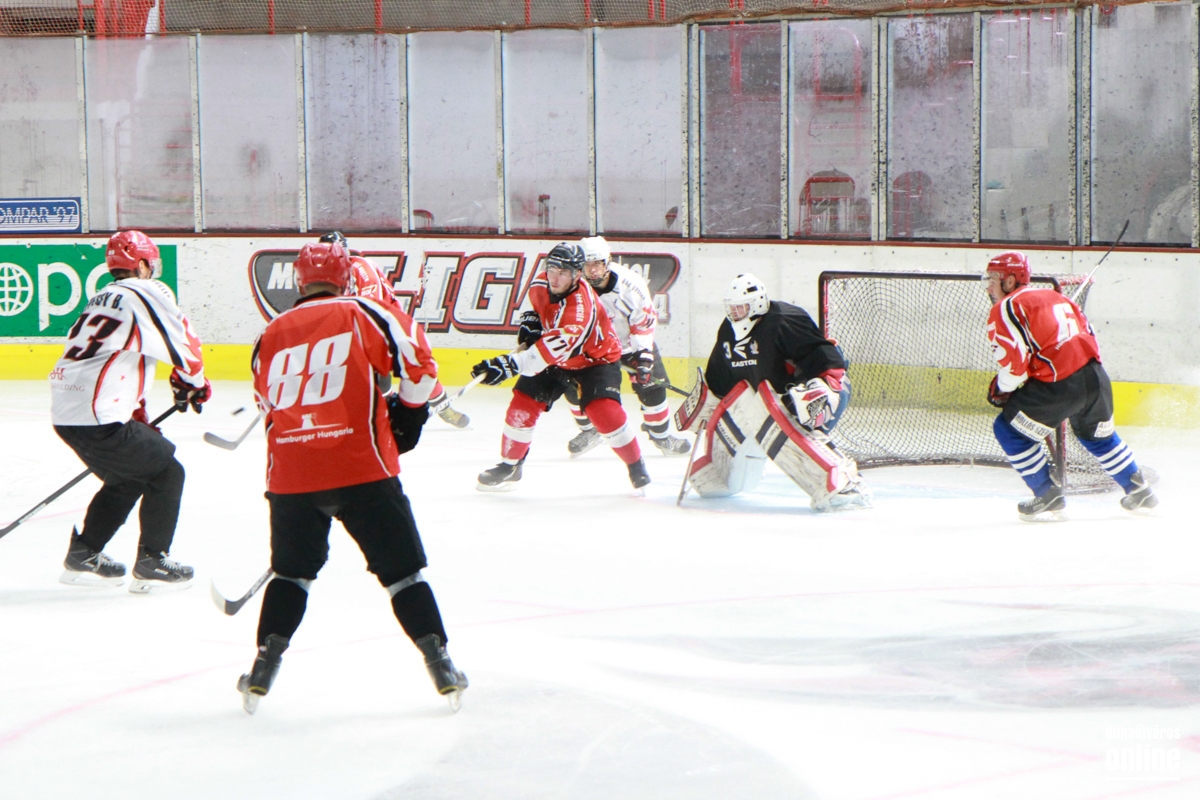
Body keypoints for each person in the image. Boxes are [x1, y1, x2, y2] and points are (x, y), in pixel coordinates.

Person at [239, 240, 467, 715]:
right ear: (346, 277)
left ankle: (262, 668)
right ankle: (441, 665)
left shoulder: (269, 333)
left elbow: (266, 403)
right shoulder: (366, 311)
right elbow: (421, 366)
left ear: (300, 281)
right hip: (363, 469)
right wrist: (408, 414)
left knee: (291, 575)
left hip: (291, 478)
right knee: (403, 575)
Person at [49, 229, 209, 591]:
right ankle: (153, 561)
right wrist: (194, 382)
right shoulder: (146, 291)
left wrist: (138, 416)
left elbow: (118, 361)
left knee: (130, 476)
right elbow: (185, 343)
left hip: (69, 412)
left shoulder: (100, 298)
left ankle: (84, 554)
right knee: (168, 473)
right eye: (150, 264)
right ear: (141, 264)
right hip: (98, 415)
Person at [984, 251, 1157, 521]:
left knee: (1008, 429)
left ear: (1009, 281)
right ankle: (1140, 490)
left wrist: (1001, 388)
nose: (988, 287)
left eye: (993, 279)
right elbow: (1090, 336)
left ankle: (1046, 493)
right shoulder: (1059, 297)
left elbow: (1015, 368)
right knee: (1096, 437)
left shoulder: (1005, 307)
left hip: (1060, 384)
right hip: (1096, 377)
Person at [673, 273, 867, 510]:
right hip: (768, 402)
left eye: (741, 307)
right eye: (731, 308)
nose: (735, 314)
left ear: (757, 304)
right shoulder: (728, 331)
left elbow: (823, 355)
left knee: (772, 411)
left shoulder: (784, 319)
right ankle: (721, 473)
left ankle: (844, 483)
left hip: (815, 397)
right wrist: (706, 403)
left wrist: (825, 386)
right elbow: (721, 379)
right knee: (752, 405)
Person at [472, 243, 650, 492]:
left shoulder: (579, 312)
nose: (554, 277)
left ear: (577, 275)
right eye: (552, 269)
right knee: (522, 405)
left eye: (563, 272)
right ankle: (510, 466)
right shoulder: (542, 281)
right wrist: (533, 320)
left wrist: (505, 366)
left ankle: (635, 465)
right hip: (556, 356)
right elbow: (537, 304)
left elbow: (537, 360)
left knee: (604, 413)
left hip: (595, 360)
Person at [319, 231, 469, 429]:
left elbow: (372, 309)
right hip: (362, 327)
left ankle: (442, 408)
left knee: (411, 368)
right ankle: (384, 414)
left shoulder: (361, 268)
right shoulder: (329, 277)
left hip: (389, 324)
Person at [562, 236, 689, 458]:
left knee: (652, 387)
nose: (593, 270)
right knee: (572, 385)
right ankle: (590, 430)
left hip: (630, 344)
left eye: (597, 263)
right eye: (587, 265)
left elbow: (643, 324)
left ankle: (661, 435)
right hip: (593, 349)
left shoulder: (631, 285)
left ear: (607, 262)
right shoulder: (571, 286)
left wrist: (643, 358)